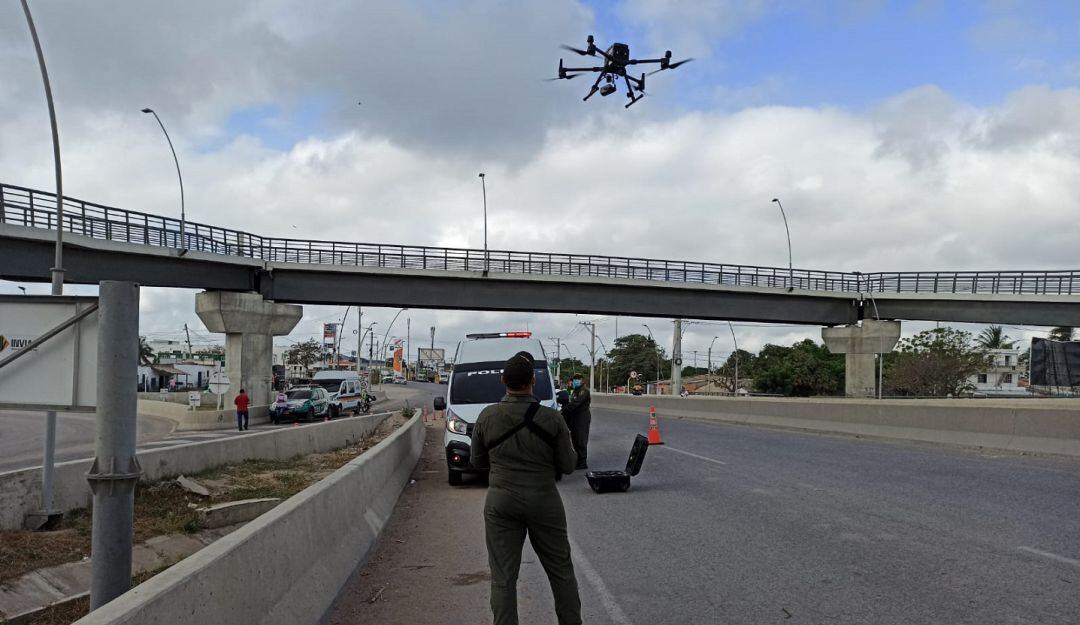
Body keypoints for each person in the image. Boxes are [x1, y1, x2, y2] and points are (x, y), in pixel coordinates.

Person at [471, 351, 581, 625]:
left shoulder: (487, 416)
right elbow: (568, 465)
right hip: (544, 501)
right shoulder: (552, 418)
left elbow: (476, 461)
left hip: (501, 502)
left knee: (503, 578)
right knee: (561, 572)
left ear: (502, 380)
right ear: (533, 380)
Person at [561, 373, 591, 470]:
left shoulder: (584, 391)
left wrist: (564, 410)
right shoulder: (575, 391)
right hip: (575, 417)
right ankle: (578, 460)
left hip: (582, 417)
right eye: (574, 379)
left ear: (582, 380)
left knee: (581, 439)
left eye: (577, 379)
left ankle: (583, 462)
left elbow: (576, 403)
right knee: (574, 439)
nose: (575, 381)